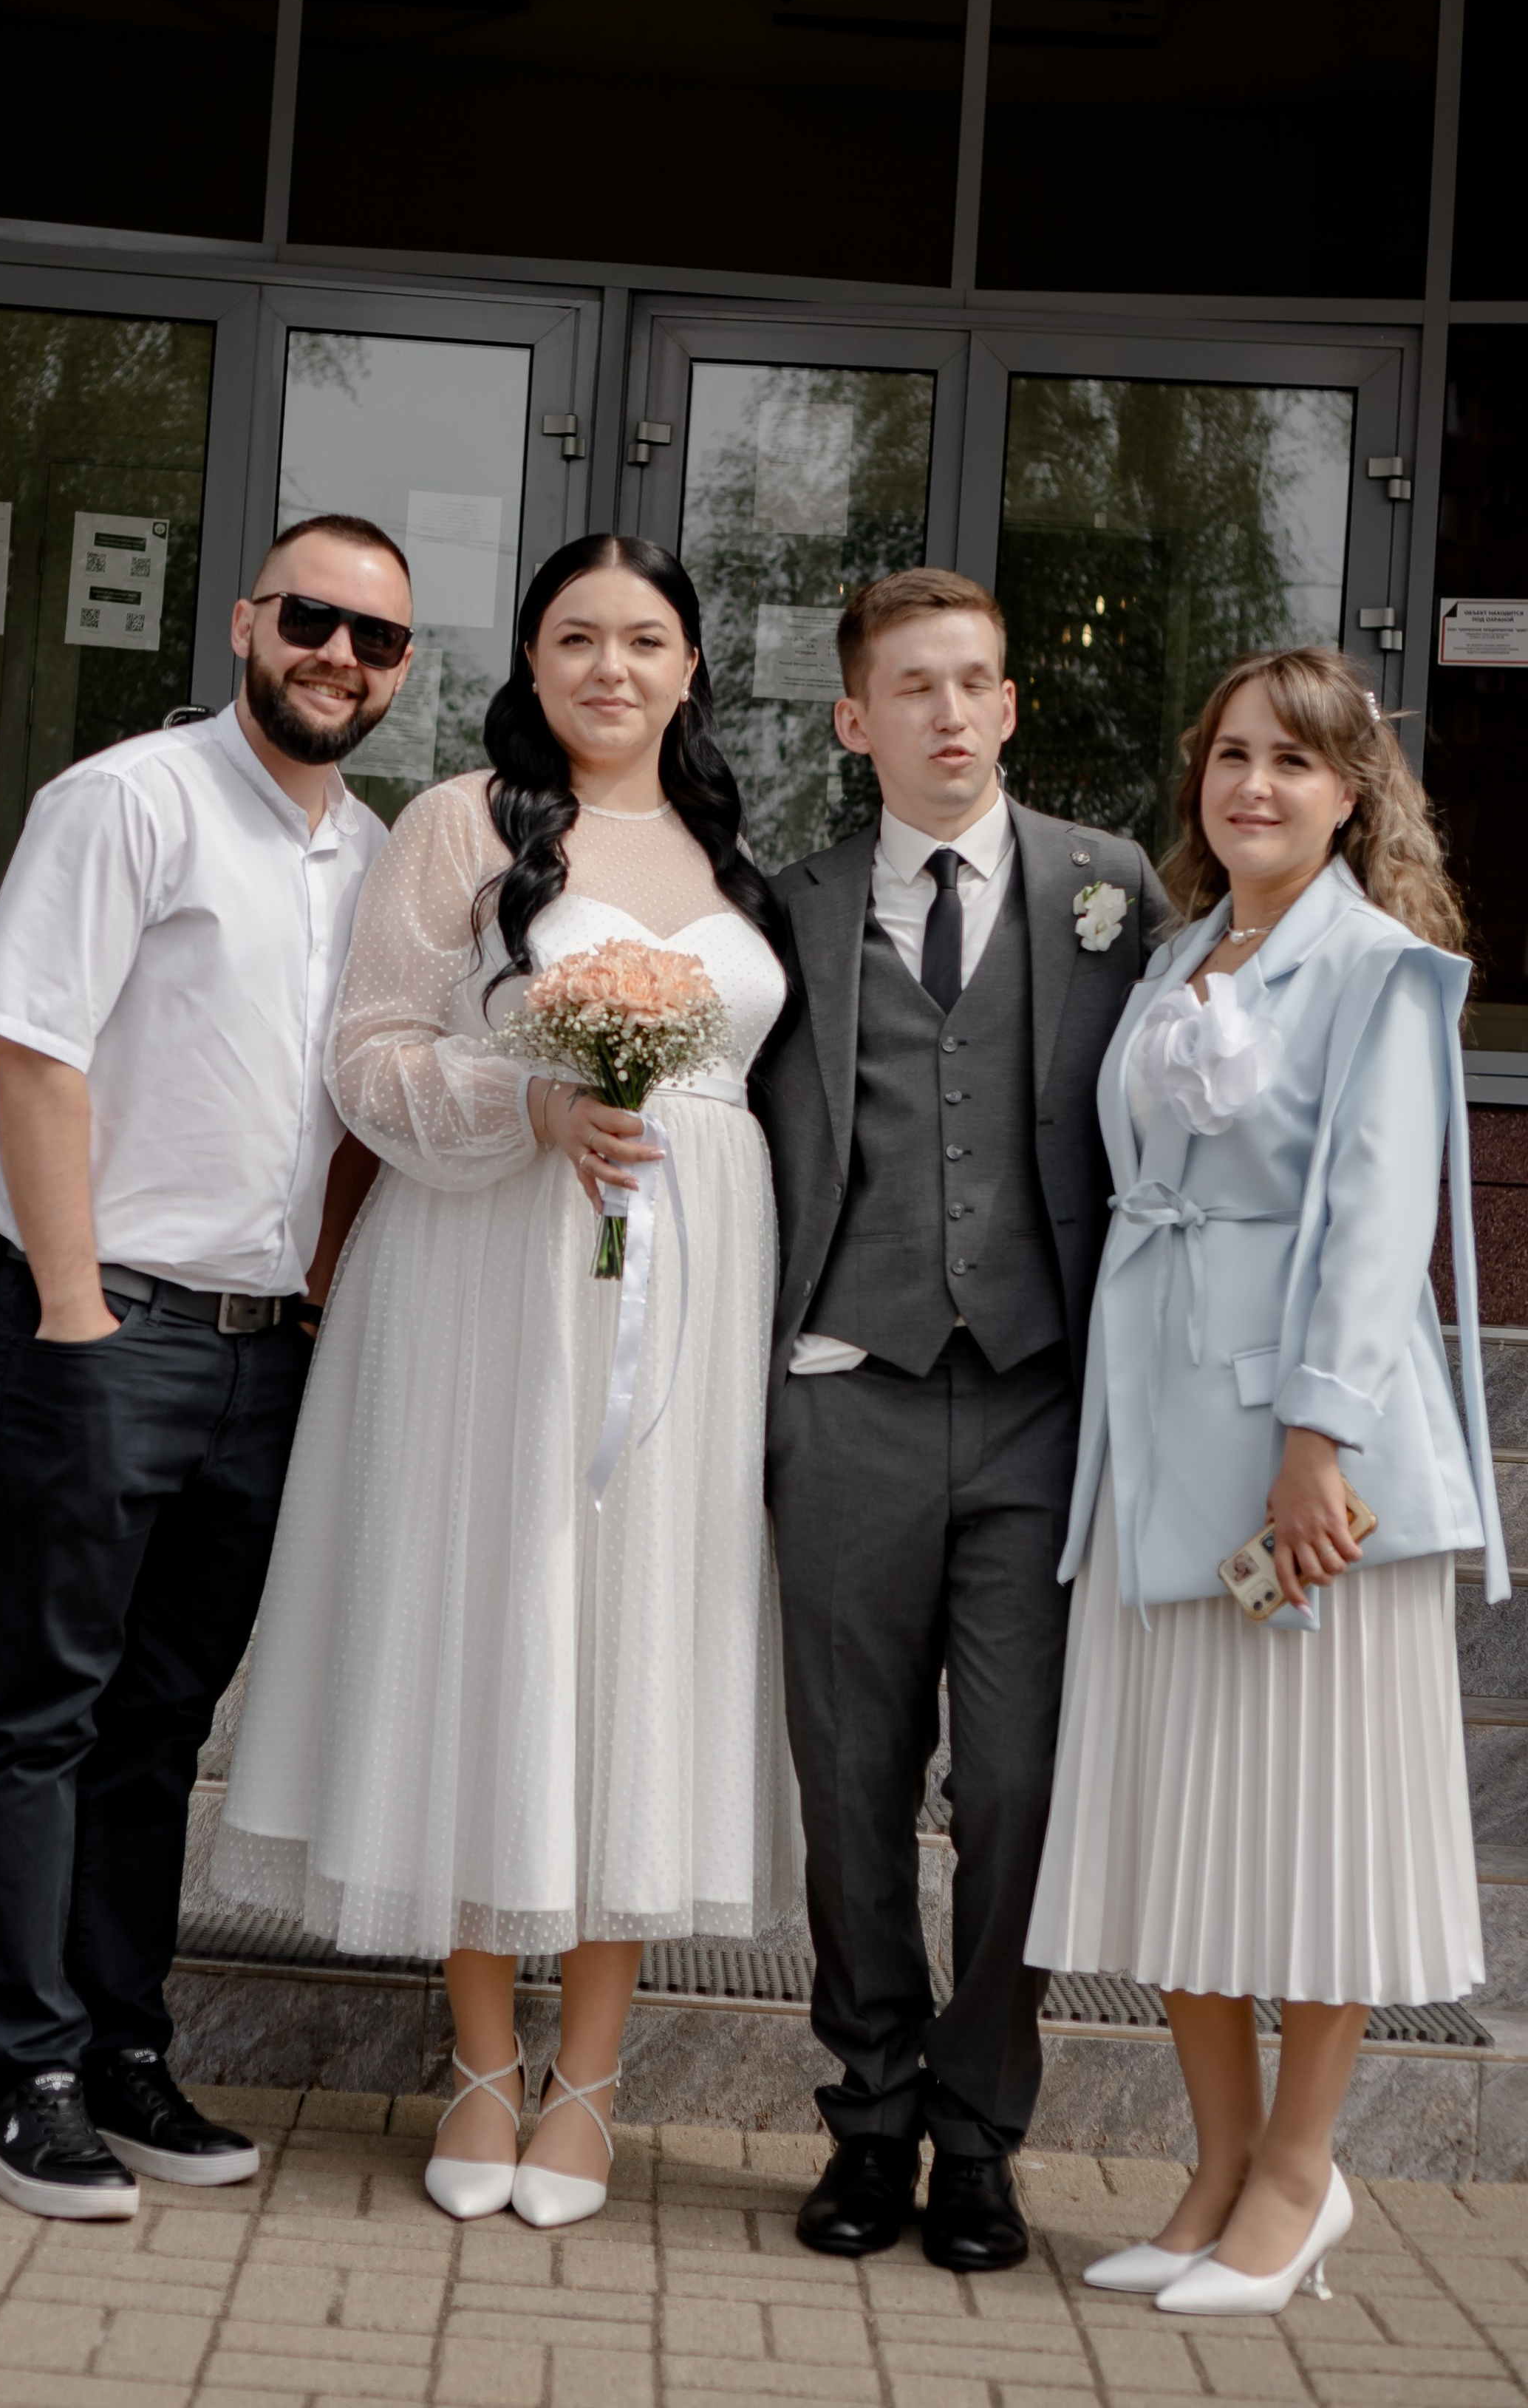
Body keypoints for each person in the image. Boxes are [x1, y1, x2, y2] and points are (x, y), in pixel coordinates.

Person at [214, 534, 798, 2230]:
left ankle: (590, 2086)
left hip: (690, 1281)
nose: (608, 668)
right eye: (572, 639)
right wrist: (531, 1103)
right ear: (527, 663)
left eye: (643, 639)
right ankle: (478, 2064)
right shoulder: (461, 823)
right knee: (498, 1629)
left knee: (635, 1645)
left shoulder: (740, 851)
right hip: (487, 1275)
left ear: (690, 665)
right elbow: (369, 1051)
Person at [0, 513, 414, 2220]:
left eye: (373, 640)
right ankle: (21, 2077)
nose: (335, 658)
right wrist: (71, 1314)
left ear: (402, 671)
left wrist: (320, 1303)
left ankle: (120, 2051)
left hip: (258, 1348)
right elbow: (35, 1051)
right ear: (243, 622)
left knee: (155, 1726)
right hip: (95, 1319)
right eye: (310, 619)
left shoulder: (372, 859)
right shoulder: (123, 800)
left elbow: (358, 1112)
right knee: (39, 1711)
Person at [1026, 646, 1505, 2316]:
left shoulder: (1378, 974)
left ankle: (1299, 2179)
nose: (1250, 787)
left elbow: (1379, 1229)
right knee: (1181, 1829)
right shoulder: (1170, 957)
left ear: (1349, 794)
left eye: (1289, 765)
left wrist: (1315, 1446)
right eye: (1227, 757)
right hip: (1150, 1446)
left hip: (1299, 1466)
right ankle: (1215, 2170)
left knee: (1309, 1834)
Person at [749, 566, 1168, 2271]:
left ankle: (977, 2135)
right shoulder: (786, 904)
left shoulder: (1113, 890)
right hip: (844, 1400)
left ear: (1009, 708)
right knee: (848, 1790)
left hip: (1040, 1406)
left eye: (972, 683)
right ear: (855, 721)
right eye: (908, 686)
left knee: (1013, 1787)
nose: (943, 711)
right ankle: (865, 2123)